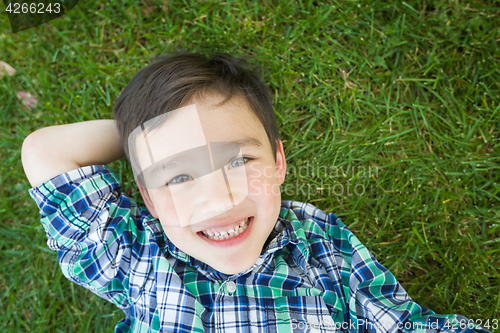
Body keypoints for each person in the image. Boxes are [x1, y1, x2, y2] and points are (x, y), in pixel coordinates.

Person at [22, 52, 489, 332]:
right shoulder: (134, 252)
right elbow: (46, 151)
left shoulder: (318, 241)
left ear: (279, 163)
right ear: (147, 198)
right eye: (178, 177)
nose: (220, 200)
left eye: (238, 161)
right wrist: (142, 140)